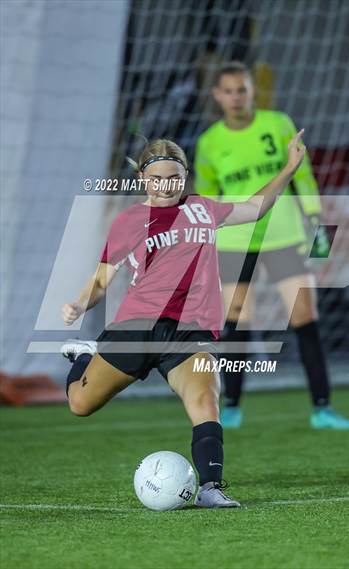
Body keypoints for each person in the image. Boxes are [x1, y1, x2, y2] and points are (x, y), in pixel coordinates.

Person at [60, 133, 306, 509]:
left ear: (185, 176)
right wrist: (79, 305)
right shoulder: (129, 221)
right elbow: (102, 279)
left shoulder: (203, 208)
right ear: (143, 178)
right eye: (157, 178)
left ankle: (210, 488)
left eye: (174, 177)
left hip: (190, 331)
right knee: (80, 404)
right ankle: (84, 355)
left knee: (205, 400)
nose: (166, 185)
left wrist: (289, 167)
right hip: (138, 326)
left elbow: (255, 208)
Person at [195, 61, 349, 430]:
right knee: (237, 322)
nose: (236, 97)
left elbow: (304, 175)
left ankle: (323, 409)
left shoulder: (279, 123)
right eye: (228, 91)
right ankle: (230, 408)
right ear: (217, 95)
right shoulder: (209, 143)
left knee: (305, 317)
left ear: (253, 89)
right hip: (235, 240)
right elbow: (207, 200)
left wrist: (317, 223)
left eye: (242, 89)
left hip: (284, 235)